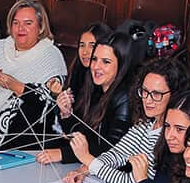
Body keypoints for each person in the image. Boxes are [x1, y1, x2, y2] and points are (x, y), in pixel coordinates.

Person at [61, 56, 190, 183]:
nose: (147, 100)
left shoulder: (169, 137)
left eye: (156, 94)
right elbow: (117, 154)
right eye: (144, 91)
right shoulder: (147, 123)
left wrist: (88, 159)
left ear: (175, 95)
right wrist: (85, 169)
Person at [0, 0, 68, 148]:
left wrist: (16, 86)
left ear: (41, 27)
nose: (20, 28)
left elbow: (48, 103)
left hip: (26, 137)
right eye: (16, 23)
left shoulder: (51, 55)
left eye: (28, 23)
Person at [33, 22, 124, 163]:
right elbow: (78, 133)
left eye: (91, 46)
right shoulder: (80, 75)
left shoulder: (119, 94)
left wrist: (63, 154)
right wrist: (65, 113)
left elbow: (112, 149)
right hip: (83, 156)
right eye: (82, 45)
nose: (85, 52)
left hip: (99, 162)